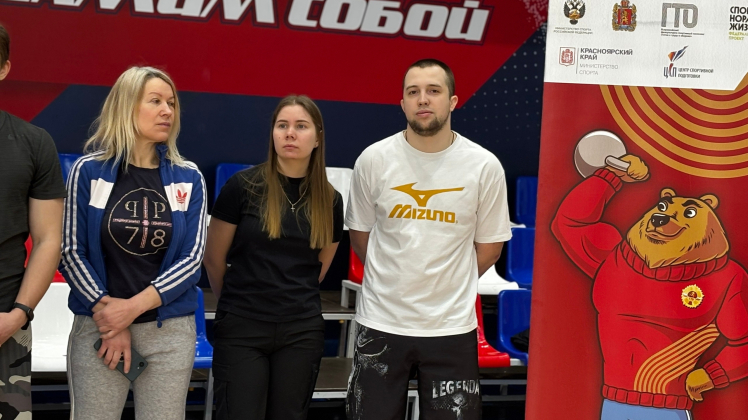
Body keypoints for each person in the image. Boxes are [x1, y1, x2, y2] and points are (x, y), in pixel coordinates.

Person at [345, 59, 513, 419]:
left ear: (452, 101)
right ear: (403, 103)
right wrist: (396, 277)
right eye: (413, 92)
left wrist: (447, 281)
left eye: (433, 91)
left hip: (451, 327)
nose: (423, 99)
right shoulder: (373, 160)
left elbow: (490, 249)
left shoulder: (484, 166)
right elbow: (360, 236)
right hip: (381, 323)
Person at [60, 66, 207, 420]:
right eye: (155, 101)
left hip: (168, 334)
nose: (167, 111)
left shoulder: (189, 176)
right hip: (100, 327)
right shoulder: (88, 171)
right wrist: (112, 318)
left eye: (171, 103)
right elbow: (70, 252)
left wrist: (129, 310)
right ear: (126, 106)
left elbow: (191, 260)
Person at [204, 94, 343, 420]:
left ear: (317, 138)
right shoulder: (242, 187)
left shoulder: (330, 200)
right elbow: (213, 258)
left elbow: (319, 268)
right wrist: (238, 304)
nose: (290, 133)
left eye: (301, 126)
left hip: (301, 331)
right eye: (282, 125)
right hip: (243, 328)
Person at [0, 23, 67, 419]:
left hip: (6, 323)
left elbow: (47, 240)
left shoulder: (33, 142)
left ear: (4, 68)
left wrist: (18, 314)